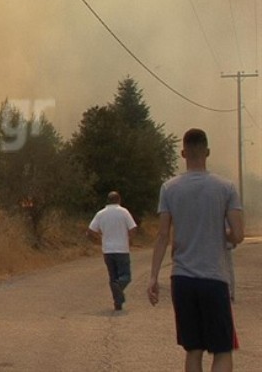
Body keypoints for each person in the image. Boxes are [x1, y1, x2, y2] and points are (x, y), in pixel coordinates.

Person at [147, 128, 244, 372]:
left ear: (183, 153)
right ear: (207, 152)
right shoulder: (226, 187)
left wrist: (153, 277)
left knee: (193, 350)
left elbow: (162, 236)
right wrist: (222, 234)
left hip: (182, 279)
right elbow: (239, 235)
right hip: (214, 278)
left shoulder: (169, 188)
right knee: (222, 350)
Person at [87, 191, 138, 311]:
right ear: (119, 200)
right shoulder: (124, 212)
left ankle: (117, 302)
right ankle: (118, 288)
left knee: (113, 277)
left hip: (108, 250)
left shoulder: (101, 214)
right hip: (122, 249)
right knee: (125, 276)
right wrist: (130, 239)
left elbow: (90, 231)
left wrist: (99, 240)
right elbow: (133, 228)